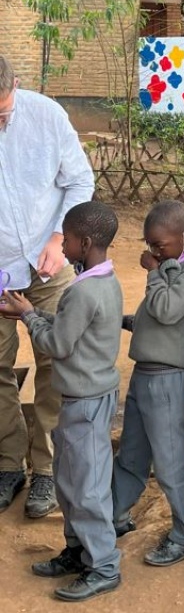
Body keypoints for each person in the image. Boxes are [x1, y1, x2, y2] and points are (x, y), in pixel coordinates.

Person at [0, 202, 123, 602]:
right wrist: (33, 312)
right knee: (71, 482)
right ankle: (77, 551)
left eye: (66, 239)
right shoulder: (103, 281)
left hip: (85, 403)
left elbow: (57, 344)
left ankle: (103, 565)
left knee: (86, 489)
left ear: (84, 242)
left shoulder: (83, 291)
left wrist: (29, 317)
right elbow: (72, 330)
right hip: (83, 398)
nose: (62, 246)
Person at [0, 55, 94, 517]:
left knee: (56, 363)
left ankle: (46, 470)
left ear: (15, 85)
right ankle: (7, 463)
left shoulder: (47, 116)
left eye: (2, 112)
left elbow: (80, 182)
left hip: (47, 266)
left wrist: (59, 237)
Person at [112, 200, 184, 565]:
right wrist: (121, 319)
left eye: (161, 245)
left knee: (171, 462)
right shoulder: (171, 264)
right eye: (150, 244)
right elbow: (151, 318)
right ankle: (114, 517)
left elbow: (167, 309)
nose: (153, 251)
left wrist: (154, 272)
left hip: (168, 379)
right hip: (144, 374)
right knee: (131, 456)